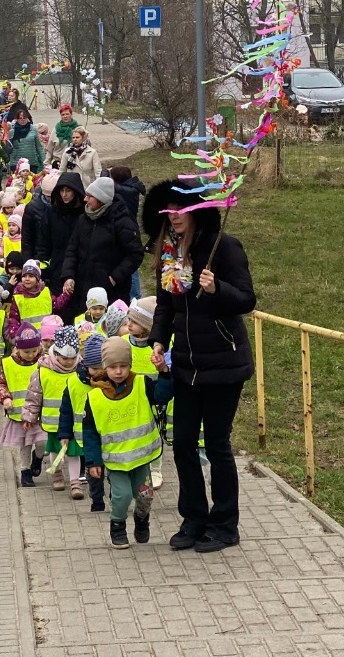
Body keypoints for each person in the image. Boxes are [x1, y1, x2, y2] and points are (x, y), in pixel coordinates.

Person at [144, 177, 256, 554]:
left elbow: (247, 299)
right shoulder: (169, 253)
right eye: (169, 211)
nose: (174, 216)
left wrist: (215, 289)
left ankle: (225, 525)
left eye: (181, 210)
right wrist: (158, 341)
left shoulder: (223, 247)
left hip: (224, 362)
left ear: (197, 211)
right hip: (186, 365)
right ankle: (193, 518)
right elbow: (165, 305)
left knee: (217, 444)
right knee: (183, 444)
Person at [83, 334, 173, 549]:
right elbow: (90, 432)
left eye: (123, 366)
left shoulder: (142, 384)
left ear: (130, 365)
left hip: (141, 457)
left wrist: (164, 373)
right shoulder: (95, 397)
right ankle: (117, 526)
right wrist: (93, 461)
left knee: (145, 496)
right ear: (105, 367)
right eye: (113, 367)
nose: (119, 371)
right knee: (121, 496)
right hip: (116, 462)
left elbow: (162, 396)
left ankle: (142, 520)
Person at [60, 176, 144, 317]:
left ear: (101, 199)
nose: (85, 199)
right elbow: (72, 249)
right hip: (82, 291)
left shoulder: (121, 221)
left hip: (110, 293)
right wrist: (68, 275)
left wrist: (114, 278)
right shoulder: (84, 219)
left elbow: (136, 254)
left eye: (90, 196)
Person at [22, 326, 84, 498]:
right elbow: (34, 396)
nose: (69, 362)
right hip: (52, 423)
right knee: (55, 450)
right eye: (65, 358)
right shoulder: (43, 372)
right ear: (55, 354)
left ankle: (75, 482)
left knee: (74, 453)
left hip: (74, 423)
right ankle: (57, 474)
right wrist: (29, 416)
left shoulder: (81, 372)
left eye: (73, 358)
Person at [58, 333, 107, 512]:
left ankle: (115, 497)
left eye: (103, 367)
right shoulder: (73, 383)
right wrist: (64, 433)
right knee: (94, 471)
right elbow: (66, 411)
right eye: (94, 368)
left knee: (113, 471)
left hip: (110, 436)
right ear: (86, 366)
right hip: (85, 439)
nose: (99, 372)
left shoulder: (112, 383)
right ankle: (97, 500)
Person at [0, 322, 47, 487]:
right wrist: (5, 398)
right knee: (25, 444)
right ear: (18, 348)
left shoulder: (45, 362)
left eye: (34, 351)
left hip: (40, 413)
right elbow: (0, 383)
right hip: (19, 415)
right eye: (27, 352)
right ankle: (25, 471)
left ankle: (38, 457)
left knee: (43, 441)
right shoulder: (8, 364)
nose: (31, 355)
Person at [126, 296, 166, 489]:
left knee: (154, 435)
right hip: (130, 401)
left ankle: (156, 469)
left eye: (134, 321)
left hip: (153, 402)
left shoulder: (158, 348)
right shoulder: (124, 343)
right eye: (128, 319)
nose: (129, 324)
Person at [37, 172, 86, 315]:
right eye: (61, 190)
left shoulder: (84, 214)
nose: (64, 194)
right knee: (59, 307)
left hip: (80, 267)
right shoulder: (51, 212)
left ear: (76, 191)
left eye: (68, 190)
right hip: (56, 267)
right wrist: (43, 271)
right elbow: (43, 243)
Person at [6, 258, 68, 338]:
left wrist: (66, 294)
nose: (27, 279)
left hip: (47, 338)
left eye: (31, 276)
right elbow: (14, 319)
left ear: (37, 278)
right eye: (24, 276)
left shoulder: (45, 292)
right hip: (28, 339)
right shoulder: (18, 297)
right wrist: (15, 336)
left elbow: (56, 304)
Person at [112, 166, 147, 299]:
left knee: (131, 264)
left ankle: (135, 296)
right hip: (130, 228)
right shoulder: (132, 188)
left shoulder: (127, 191)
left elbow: (109, 185)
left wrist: (105, 174)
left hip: (129, 230)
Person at [22, 171, 58, 264]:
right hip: (38, 256)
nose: (51, 200)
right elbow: (27, 239)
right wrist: (28, 262)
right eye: (48, 196)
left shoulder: (62, 208)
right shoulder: (31, 208)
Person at [8, 107, 44, 173]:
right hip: (16, 163)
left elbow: (39, 147)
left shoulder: (34, 130)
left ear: (27, 118)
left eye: (24, 117)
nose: (22, 120)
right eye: (20, 118)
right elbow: (8, 149)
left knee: (31, 179)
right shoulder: (12, 131)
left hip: (31, 162)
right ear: (17, 119)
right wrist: (3, 142)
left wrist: (44, 161)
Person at [45, 103, 80, 168]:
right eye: (63, 115)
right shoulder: (56, 130)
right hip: (58, 163)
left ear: (71, 114)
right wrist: (46, 164)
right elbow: (50, 149)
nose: (65, 116)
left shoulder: (78, 129)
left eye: (67, 114)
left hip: (74, 163)